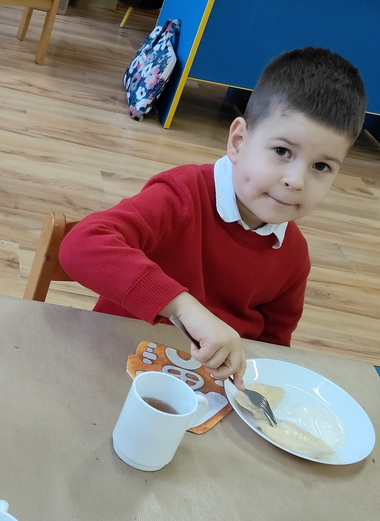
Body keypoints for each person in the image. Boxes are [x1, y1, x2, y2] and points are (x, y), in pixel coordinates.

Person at [59, 47, 366, 385]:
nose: (296, 181)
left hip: (209, 390)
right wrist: (182, 306)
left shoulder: (294, 256)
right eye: (282, 151)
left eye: (321, 166)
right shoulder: (181, 195)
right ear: (238, 141)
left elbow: (274, 350)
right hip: (114, 362)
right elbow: (81, 245)